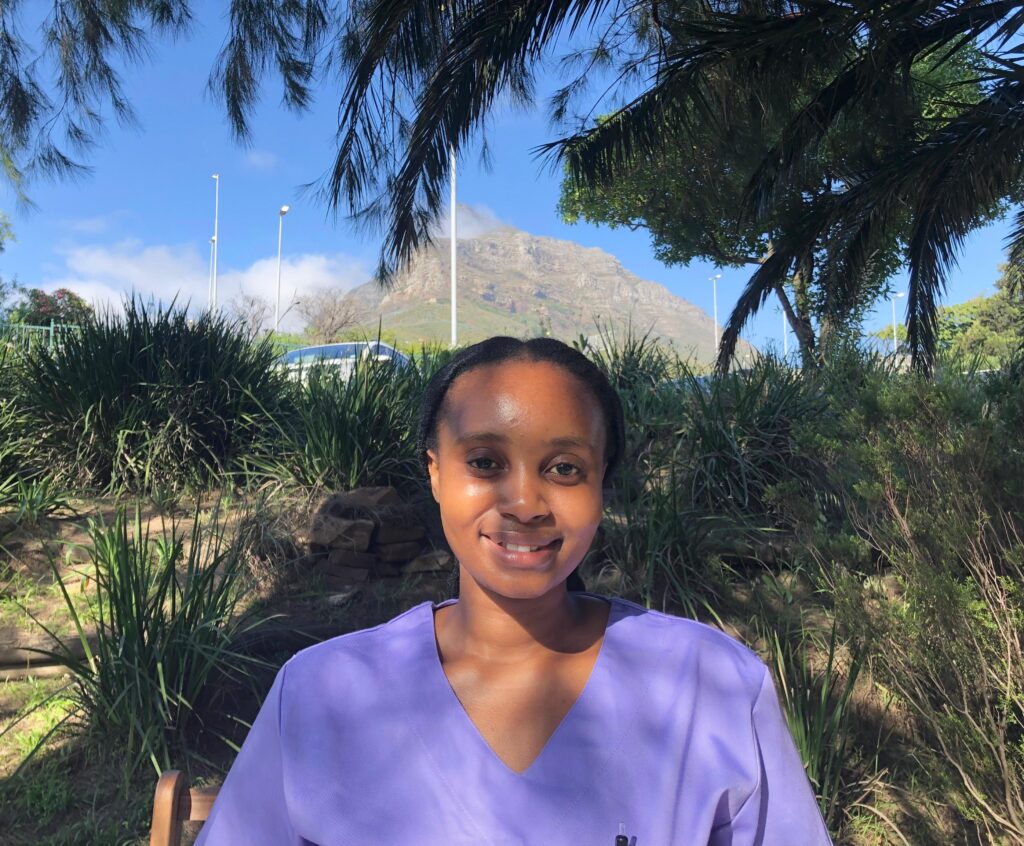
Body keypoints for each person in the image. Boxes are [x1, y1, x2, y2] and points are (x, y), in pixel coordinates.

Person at [196, 336, 832, 845]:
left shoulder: (711, 686)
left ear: (601, 486)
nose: (525, 503)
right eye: (484, 462)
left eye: (565, 469)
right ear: (435, 473)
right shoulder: (319, 694)